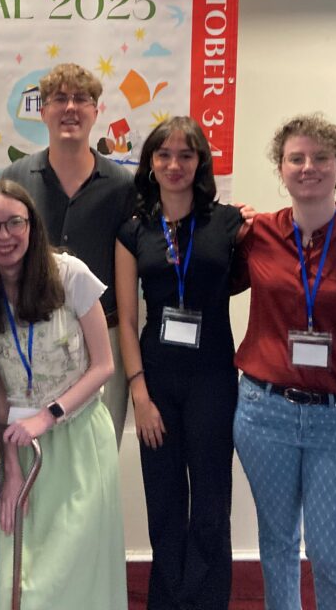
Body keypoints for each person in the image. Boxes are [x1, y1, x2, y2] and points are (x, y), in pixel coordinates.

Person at [232, 114, 336, 610]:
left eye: (321, 158)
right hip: (264, 412)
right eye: (296, 158)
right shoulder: (256, 234)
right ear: (281, 169)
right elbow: (213, 276)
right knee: (278, 545)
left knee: (331, 552)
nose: (308, 167)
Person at [0, 180, 127, 610]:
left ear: (31, 225)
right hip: (19, 443)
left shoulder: (70, 273)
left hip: (79, 436)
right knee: (26, 568)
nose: (4, 235)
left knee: (76, 561)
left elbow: (103, 365)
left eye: (15, 222)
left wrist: (50, 415)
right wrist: (9, 469)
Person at [115, 116, 252, 610]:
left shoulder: (231, 222)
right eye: (164, 155)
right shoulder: (133, 232)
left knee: (212, 502)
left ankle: (206, 600)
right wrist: (139, 393)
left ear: (201, 163)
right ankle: (168, 600)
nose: (174, 165)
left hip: (214, 377)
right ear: (150, 163)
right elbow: (128, 321)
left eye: (186, 155)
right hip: (157, 382)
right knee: (165, 501)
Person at [0, 63, 135, 446]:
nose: (71, 107)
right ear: (42, 111)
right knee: (35, 453)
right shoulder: (13, 179)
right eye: (59, 99)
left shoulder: (123, 186)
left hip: (102, 342)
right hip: (30, 335)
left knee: (98, 451)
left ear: (96, 111)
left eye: (81, 99)